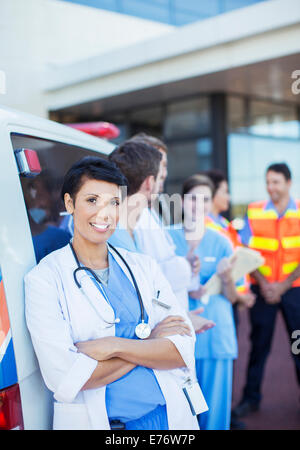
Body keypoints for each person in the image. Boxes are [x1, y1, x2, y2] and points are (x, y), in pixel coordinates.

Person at [24, 156, 203, 430]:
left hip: (168, 418)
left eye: (114, 202)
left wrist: (115, 346)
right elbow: (67, 377)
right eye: (92, 200)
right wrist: (150, 343)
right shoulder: (45, 280)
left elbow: (183, 348)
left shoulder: (143, 266)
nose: (104, 213)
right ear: (70, 203)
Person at [109, 137, 214, 334]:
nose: (165, 175)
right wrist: (180, 319)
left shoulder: (133, 224)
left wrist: (181, 316)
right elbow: (143, 297)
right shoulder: (118, 237)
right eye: (161, 168)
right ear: (149, 181)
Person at [168, 174, 239, 430]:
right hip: (178, 333)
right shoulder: (166, 239)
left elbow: (233, 297)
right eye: (193, 198)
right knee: (178, 414)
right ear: (182, 201)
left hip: (216, 333)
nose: (199, 205)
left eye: (205, 199)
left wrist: (227, 277)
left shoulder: (222, 242)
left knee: (215, 417)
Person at [233, 163, 300, 418]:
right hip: (263, 290)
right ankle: (251, 398)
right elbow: (245, 252)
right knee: (259, 346)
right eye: (268, 182)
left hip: (294, 289)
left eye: (276, 182)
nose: (271, 187)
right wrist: (265, 284)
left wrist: (282, 285)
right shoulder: (254, 212)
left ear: (288, 183)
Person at [203, 169, 256, 311]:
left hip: (232, 298)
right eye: (225, 192)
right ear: (211, 193)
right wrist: (240, 297)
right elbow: (212, 275)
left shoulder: (224, 224)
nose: (229, 197)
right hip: (218, 302)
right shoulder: (205, 228)